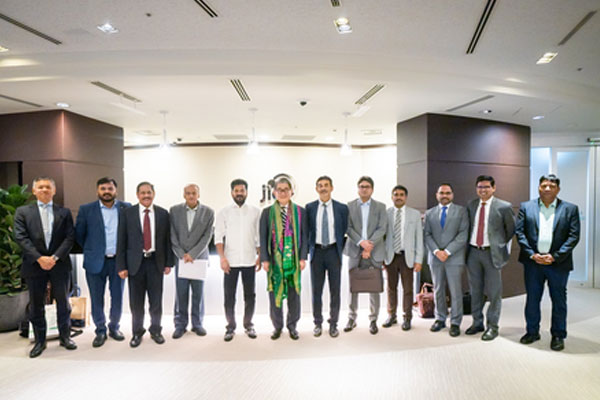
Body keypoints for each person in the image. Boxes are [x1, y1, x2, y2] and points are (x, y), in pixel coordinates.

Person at [516, 174, 580, 351]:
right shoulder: (526, 207)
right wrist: (532, 255)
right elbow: (520, 233)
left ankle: (558, 335)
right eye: (543, 185)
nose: (547, 189)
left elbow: (574, 236)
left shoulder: (570, 209)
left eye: (551, 186)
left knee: (559, 300)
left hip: (558, 264)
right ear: (538, 187)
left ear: (558, 189)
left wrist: (555, 256)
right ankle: (532, 332)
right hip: (533, 263)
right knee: (532, 298)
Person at [14, 176, 76, 358]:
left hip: (59, 264)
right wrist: (40, 258)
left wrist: (54, 258)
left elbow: (70, 238)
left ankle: (65, 337)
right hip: (34, 265)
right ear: (34, 191)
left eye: (48, 187)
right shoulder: (23, 212)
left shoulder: (64, 212)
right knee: (36, 305)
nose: (44, 190)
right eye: (40, 187)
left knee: (63, 303)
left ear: (54, 191)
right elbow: (21, 237)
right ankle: (40, 341)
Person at [75, 177, 131, 347]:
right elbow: (79, 235)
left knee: (117, 297)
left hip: (118, 262)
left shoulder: (126, 208)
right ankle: (100, 329)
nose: (107, 192)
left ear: (116, 190)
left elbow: (131, 234)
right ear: (97, 191)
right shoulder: (86, 209)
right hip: (95, 261)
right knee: (96, 297)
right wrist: (93, 249)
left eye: (110, 188)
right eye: (103, 189)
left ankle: (114, 327)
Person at [117, 181, 173, 348]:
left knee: (156, 301)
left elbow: (167, 240)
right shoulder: (127, 213)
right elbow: (121, 241)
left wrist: (169, 262)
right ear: (137, 195)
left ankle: (155, 330)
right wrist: (121, 266)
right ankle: (137, 331)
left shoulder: (163, 213)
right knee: (136, 303)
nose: (146, 195)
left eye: (149, 192)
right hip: (135, 264)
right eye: (143, 193)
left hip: (156, 262)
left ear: (153, 194)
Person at [465, 175, 515, 341]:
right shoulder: (471, 205)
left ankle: (492, 327)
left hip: (491, 254)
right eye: (480, 187)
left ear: (494, 188)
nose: (483, 190)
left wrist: (499, 244)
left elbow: (510, 230)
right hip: (473, 253)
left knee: (494, 293)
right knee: (475, 291)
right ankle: (477, 322)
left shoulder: (504, 206)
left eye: (486, 187)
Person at [259, 177, 308, 340]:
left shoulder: (300, 212)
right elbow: (263, 236)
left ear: (291, 191)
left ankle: (292, 326)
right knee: (275, 294)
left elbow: (305, 236)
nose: (282, 192)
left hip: (294, 260)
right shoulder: (267, 213)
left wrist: (302, 257)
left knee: (294, 294)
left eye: (286, 189)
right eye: (279, 189)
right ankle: (277, 326)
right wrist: (265, 259)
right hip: (275, 261)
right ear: (274, 192)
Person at [215, 179, 261, 342]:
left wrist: (260, 256)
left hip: (249, 260)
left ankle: (248, 324)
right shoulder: (224, 212)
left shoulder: (255, 211)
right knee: (229, 296)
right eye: (236, 191)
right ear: (232, 192)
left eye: (242, 190)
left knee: (250, 296)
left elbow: (258, 237)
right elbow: (218, 237)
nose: (239, 193)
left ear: (246, 192)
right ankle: (230, 326)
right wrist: (222, 258)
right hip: (230, 262)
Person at [305, 176, 349, 338]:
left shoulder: (341, 208)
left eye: (326, 185)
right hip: (316, 252)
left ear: (332, 188)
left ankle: (333, 323)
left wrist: (339, 249)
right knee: (316, 291)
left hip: (333, 252)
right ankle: (317, 323)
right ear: (316, 189)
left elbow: (344, 229)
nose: (323, 188)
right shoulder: (309, 208)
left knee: (335, 290)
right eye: (320, 186)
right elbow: (306, 231)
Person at [344, 176, 387, 335]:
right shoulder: (349, 206)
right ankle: (351, 317)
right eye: (361, 186)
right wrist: (361, 242)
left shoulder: (380, 207)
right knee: (353, 285)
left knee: (374, 285)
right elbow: (348, 228)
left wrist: (369, 245)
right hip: (354, 250)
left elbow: (382, 228)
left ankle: (373, 319)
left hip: (374, 251)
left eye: (367, 186)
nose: (364, 189)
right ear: (358, 189)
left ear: (372, 189)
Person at [424, 183, 468, 337]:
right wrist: (437, 251)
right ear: (437, 195)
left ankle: (455, 322)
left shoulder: (461, 211)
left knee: (455, 291)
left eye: (448, 193)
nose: (444, 196)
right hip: (435, 258)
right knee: (438, 289)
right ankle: (440, 318)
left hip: (454, 257)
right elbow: (427, 234)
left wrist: (447, 251)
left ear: (452, 195)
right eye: (441, 193)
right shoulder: (429, 213)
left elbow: (463, 234)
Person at [170, 184, 214, 339]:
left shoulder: (208, 212)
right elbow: (172, 235)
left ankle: (197, 324)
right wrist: (182, 254)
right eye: (188, 193)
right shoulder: (174, 211)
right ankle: (180, 325)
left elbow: (207, 237)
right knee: (180, 293)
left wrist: (193, 254)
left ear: (198, 194)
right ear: (184, 195)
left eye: (193, 193)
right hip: (181, 259)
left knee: (198, 293)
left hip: (199, 260)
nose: (191, 196)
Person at [383, 185, 424, 331]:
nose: (398, 197)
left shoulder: (414, 214)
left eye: (401, 195)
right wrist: (382, 258)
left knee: (408, 289)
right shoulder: (386, 213)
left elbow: (419, 238)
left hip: (408, 257)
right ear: (392, 197)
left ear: (406, 197)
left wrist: (419, 260)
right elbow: (382, 237)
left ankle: (407, 317)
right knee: (391, 288)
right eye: (396, 194)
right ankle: (391, 315)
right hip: (390, 257)